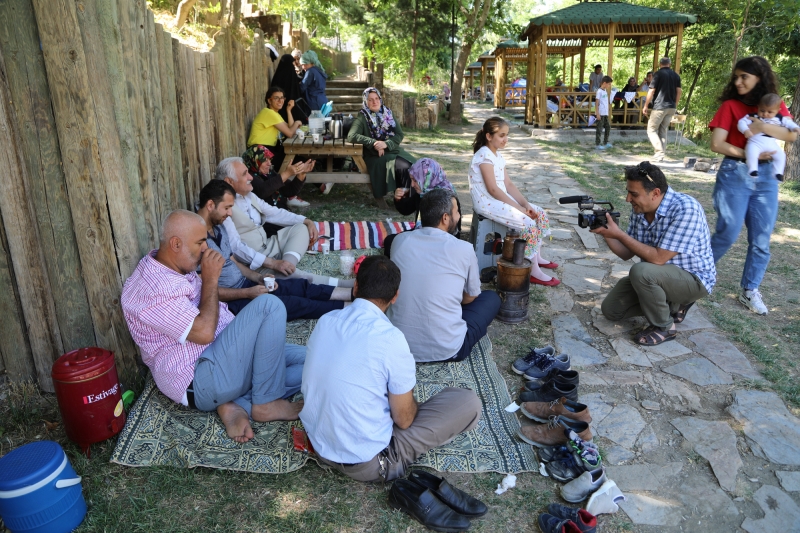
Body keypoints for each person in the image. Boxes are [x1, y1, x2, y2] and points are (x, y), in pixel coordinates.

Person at [121, 210, 305, 444]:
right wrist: (210, 278)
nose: (206, 250)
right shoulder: (151, 290)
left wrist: (232, 289)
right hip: (198, 376)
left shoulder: (174, 266)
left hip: (224, 355)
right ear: (176, 244)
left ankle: (237, 403)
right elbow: (205, 333)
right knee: (269, 305)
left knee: (311, 361)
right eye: (200, 243)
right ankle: (265, 404)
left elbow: (206, 301)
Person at [299, 255, 482, 482]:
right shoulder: (391, 339)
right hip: (368, 462)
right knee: (467, 402)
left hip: (319, 443)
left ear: (355, 288)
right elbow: (403, 420)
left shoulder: (326, 320)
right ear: (395, 297)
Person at [708, 56, 797, 315]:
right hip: (735, 173)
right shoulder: (730, 106)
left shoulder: (772, 105)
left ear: (760, 78)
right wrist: (751, 152)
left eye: (744, 77)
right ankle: (695, 277)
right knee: (727, 233)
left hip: (768, 178)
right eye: (736, 77)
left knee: (761, 239)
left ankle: (750, 289)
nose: (738, 82)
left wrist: (760, 126)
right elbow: (717, 144)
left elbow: (792, 134)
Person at [593, 162, 716, 346]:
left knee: (641, 272)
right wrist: (605, 232)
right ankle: (673, 305)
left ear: (656, 193)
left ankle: (665, 327)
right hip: (659, 276)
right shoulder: (641, 209)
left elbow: (658, 258)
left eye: (634, 194)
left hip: (694, 279)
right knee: (611, 310)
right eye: (628, 192)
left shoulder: (686, 208)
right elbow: (626, 252)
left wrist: (619, 233)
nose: (628, 199)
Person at [197, 180, 351, 319]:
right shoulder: (195, 240)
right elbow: (204, 291)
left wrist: (257, 278)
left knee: (297, 286)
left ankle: (353, 293)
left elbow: (232, 260)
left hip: (245, 285)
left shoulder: (219, 228)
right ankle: (352, 309)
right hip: (232, 303)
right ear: (210, 205)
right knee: (294, 303)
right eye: (227, 208)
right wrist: (246, 293)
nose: (230, 213)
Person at [388, 188, 501, 362]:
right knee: (491, 298)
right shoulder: (463, 249)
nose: (458, 216)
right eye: (456, 212)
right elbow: (471, 296)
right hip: (448, 349)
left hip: (398, 345)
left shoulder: (399, 241)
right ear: (445, 218)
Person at [215, 157, 354, 288]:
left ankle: (287, 267)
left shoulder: (248, 195)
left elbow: (274, 213)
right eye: (245, 174)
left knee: (301, 228)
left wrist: (306, 221)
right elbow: (236, 248)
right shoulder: (222, 208)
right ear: (229, 181)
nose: (251, 177)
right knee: (297, 275)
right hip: (254, 262)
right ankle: (341, 284)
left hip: (270, 246)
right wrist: (272, 263)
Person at [469, 117, 558, 286]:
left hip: (498, 199)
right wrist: (518, 209)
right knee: (528, 224)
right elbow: (493, 189)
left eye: (507, 135)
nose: (505, 139)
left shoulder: (497, 155)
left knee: (538, 213)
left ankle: (536, 257)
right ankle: (532, 269)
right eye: (501, 135)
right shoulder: (483, 156)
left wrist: (526, 205)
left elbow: (508, 184)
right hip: (486, 202)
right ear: (489, 136)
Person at [347, 87, 417, 208]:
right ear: (365, 102)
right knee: (403, 167)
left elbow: (399, 134)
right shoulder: (362, 116)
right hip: (375, 156)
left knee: (416, 165)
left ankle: (417, 199)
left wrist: (386, 144)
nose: (374, 102)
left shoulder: (388, 113)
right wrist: (374, 143)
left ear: (380, 99)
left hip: (393, 150)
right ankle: (403, 202)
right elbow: (351, 135)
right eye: (370, 100)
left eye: (376, 98)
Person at [738, 93, 799, 180]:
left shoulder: (779, 118)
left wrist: (795, 128)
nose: (765, 114)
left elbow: (789, 123)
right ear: (758, 107)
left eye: (770, 112)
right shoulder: (753, 116)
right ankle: (753, 170)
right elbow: (741, 122)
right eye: (762, 110)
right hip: (755, 143)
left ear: (778, 110)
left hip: (771, 144)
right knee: (751, 153)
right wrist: (745, 130)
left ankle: (778, 173)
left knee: (781, 155)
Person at [247, 86, 303, 174]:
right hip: (259, 152)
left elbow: (290, 128)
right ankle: (322, 184)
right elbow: (290, 133)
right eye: (276, 98)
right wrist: (297, 123)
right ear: (269, 101)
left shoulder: (275, 114)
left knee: (298, 158)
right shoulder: (268, 113)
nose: (280, 101)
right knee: (298, 160)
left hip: (265, 150)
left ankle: (322, 185)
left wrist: (288, 110)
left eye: (282, 98)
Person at [242, 145, 313, 211]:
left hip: (281, 214)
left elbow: (290, 190)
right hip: (267, 219)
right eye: (265, 160)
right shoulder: (248, 177)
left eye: (269, 159)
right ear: (254, 161)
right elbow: (262, 191)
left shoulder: (269, 173)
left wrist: (302, 173)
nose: (269, 163)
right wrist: (287, 173)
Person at [643, 58, 682, 162]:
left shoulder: (658, 74)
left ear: (660, 64)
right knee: (663, 129)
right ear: (670, 64)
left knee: (651, 129)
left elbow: (651, 91)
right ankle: (661, 154)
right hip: (671, 107)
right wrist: (675, 104)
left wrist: (645, 105)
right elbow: (679, 91)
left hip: (660, 106)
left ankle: (659, 152)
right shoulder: (676, 75)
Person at [595, 76, 613, 149]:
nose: (609, 86)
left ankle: (605, 142)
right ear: (604, 83)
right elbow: (597, 103)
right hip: (600, 113)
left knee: (608, 127)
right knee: (599, 129)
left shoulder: (605, 91)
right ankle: (598, 144)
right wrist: (597, 113)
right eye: (609, 84)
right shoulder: (599, 91)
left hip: (605, 113)